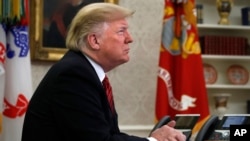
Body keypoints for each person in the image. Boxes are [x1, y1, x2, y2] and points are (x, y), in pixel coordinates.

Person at [22, 3, 186, 141]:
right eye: (121, 31)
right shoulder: (74, 75)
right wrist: (153, 140)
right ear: (94, 40)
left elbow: (109, 135)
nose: (130, 38)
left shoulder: (87, 72)